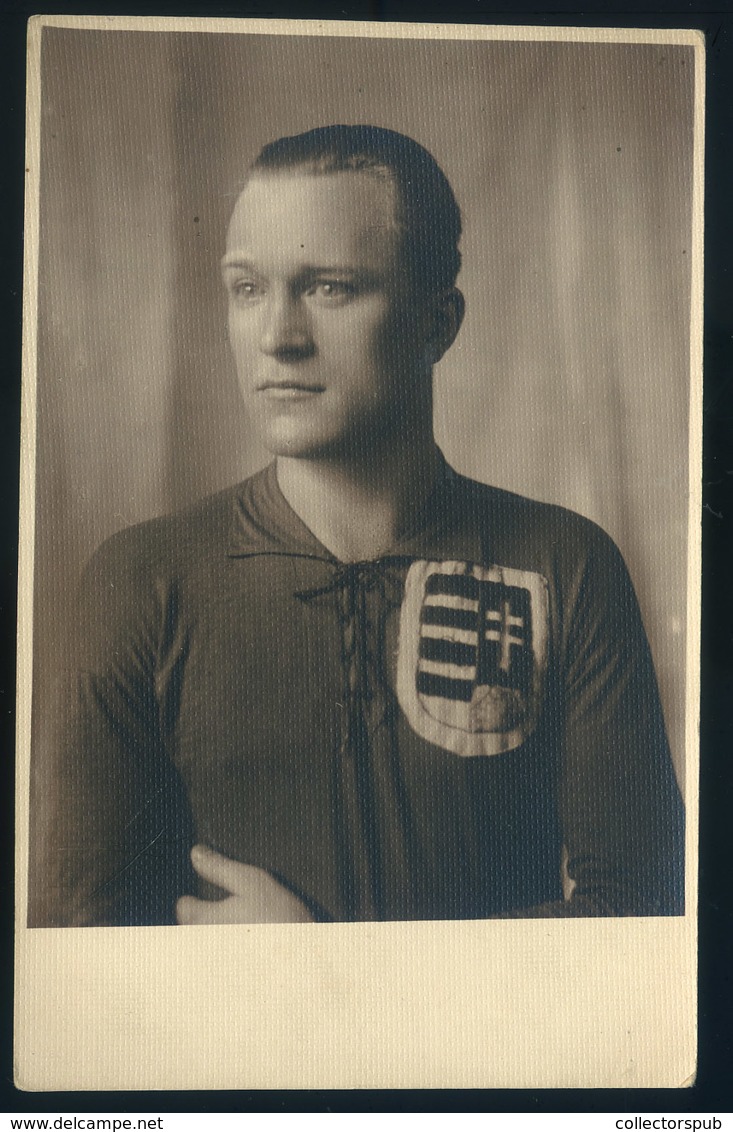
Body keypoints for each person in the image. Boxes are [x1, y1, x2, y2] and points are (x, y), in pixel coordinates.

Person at [35, 125, 684, 927]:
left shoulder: (563, 563)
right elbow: (77, 959)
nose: (278, 336)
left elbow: (643, 916)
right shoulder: (140, 580)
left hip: (496, 1060)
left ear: (435, 324)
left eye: (330, 287)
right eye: (247, 288)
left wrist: (325, 966)